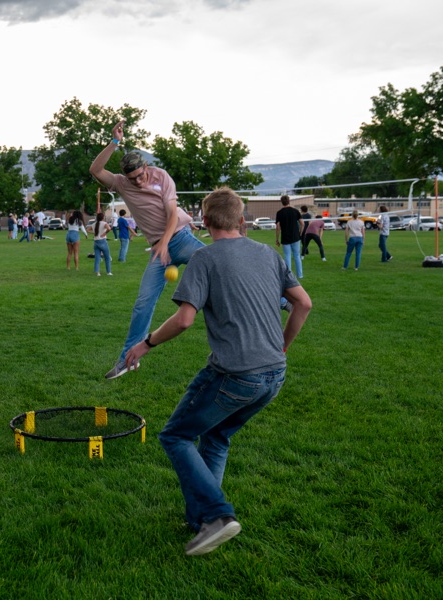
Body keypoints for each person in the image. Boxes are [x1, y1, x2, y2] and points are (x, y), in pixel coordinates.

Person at [124, 187, 311, 556]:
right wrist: (283, 345)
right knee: (217, 437)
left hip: (235, 375)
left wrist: (145, 344)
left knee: (176, 436)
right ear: (241, 221)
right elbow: (303, 303)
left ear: (204, 222)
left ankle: (217, 515)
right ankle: (201, 521)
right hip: (274, 374)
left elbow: (183, 320)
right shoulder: (267, 253)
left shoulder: (205, 259)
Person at [90, 120, 206, 379]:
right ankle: (127, 360)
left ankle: (280, 299)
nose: (139, 182)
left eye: (141, 175)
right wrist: (114, 142)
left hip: (180, 239)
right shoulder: (121, 183)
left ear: (146, 167)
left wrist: (165, 243)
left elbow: (172, 214)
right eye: (133, 179)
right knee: (143, 305)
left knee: (220, 266)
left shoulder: (161, 177)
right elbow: (96, 169)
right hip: (158, 250)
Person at [275, 195, 303, 278]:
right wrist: (300, 233)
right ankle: (300, 275)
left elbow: (277, 227)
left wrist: (277, 239)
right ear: (289, 201)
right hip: (295, 237)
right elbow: (303, 224)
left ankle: (289, 276)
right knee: (297, 256)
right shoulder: (295, 211)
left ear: (281, 202)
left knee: (287, 256)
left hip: (285, 237)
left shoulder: (279, 213)